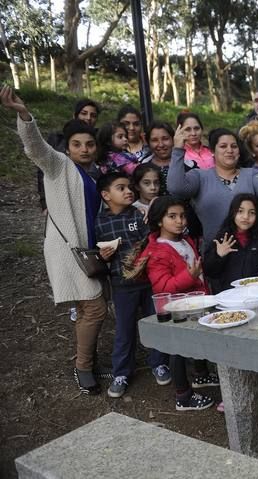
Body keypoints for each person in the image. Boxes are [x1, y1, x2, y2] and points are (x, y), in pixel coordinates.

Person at [1, 86, 107, 395]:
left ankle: (89, 360)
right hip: (67, 252)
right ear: (68, 147)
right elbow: (36, 148)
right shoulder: (59, 165)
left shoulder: (96, 174)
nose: (84, 149)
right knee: (95, 309)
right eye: (77, 144)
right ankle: (83, 366)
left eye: (89, 144)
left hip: (90, 252)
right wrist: (24, 114)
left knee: (89, 310)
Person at [132, 197, 215, 411]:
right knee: (177, 349)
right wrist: (189, 276)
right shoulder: (157, 251)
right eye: (172, 216)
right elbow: (162, 288)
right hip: (176, 310)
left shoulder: (184, 240)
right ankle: (183, 395)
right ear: (159, 220)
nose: (179, 221)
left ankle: (201, 375)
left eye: (182, 216)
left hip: (194, 302)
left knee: (196, 340)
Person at [95, 172, 171, 398]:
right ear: (106, 195)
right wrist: (104, 256)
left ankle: (159, 362)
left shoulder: (138, 216)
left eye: (130, 187)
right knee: (124, 329)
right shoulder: (99, 222)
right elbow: (98, 254)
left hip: (147, 282)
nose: (129, 191)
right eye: (121, 188)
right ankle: (121, 372)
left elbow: (151, 243)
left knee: (155, 321)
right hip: (121, 284)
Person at [167, 127, 258, 249]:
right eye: (223, 146)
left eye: (234, 146)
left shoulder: (251, 174)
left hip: (250, 251)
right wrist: (178, 150)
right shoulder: (200, 176)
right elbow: (176, 188)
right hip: (215, 254)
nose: (229, 150)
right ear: (212, 151)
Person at [204, 194, 258, 292]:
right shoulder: (222, 239)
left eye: (252, 213)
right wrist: (218, 256)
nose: (246, 217)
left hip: (257, 294)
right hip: (229, 297)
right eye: (240, 211)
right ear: (233, 213)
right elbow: (209, 272)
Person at [38, 98, 100, 212]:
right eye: (84, 113)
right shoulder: (57, 138)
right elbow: (43, 170)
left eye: (93, 115)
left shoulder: (100, 139)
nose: (88, 118)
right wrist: (44, 202)